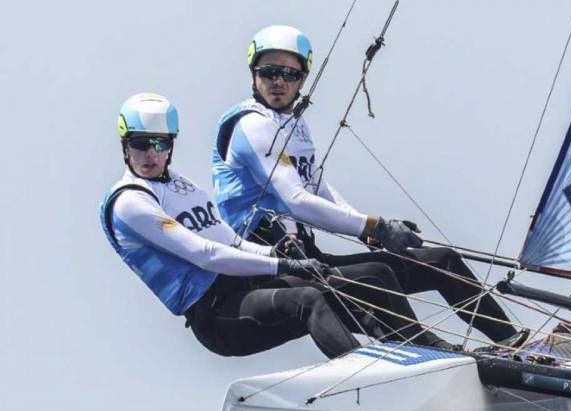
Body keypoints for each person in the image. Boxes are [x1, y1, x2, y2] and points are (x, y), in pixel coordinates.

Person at [212, 24, 521, 346]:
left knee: (442, 261)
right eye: (269, 72)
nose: (278, 82)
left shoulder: (293, 125)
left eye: (289, 74)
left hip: (309, 254)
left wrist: (375, 229)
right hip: (270, 267)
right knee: (376, 275)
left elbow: (317, 186)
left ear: (303, 80)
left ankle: (515, 345)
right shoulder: (252, 124)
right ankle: (434, 354)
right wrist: (370, 226)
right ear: (253, 74)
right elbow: (297, 200)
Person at [101, 93, 450, 360]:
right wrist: (281, 264)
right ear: (124, 145)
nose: (150, 154)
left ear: (171, 145)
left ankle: (431, 353)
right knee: (309, 299)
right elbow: (206, 255)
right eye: (140, 144)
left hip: (244, 290)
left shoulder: (182, 188)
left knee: (366, 276)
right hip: (216, 316)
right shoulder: (131, 203)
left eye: (159, 144)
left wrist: (272, 252)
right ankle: (365, 376)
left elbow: (232, 242)